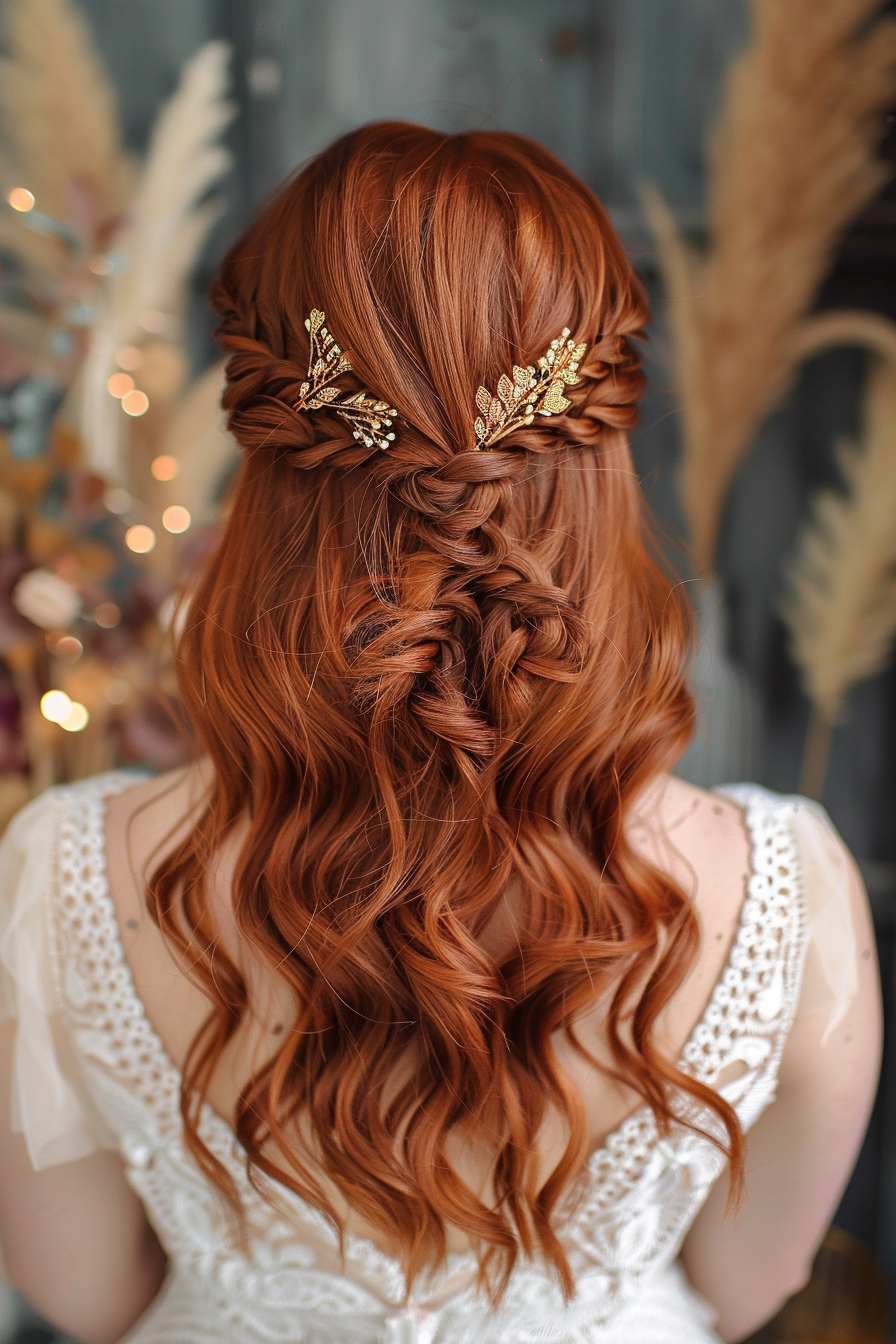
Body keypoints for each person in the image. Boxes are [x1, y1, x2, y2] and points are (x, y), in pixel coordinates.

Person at [0, 123, 881, 1344]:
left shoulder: (66, 875)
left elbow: (82, 1293)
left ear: (263, 455)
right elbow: (745, 1290)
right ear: (603, 448)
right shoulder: (793, 891)